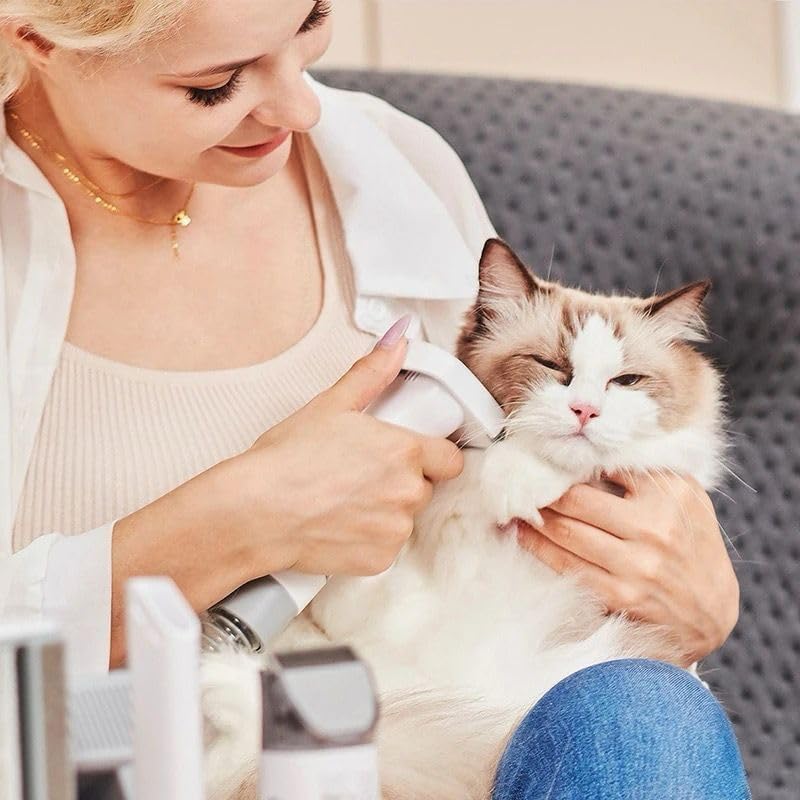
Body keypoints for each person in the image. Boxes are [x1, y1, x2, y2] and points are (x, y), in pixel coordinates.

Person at [0, 1, 750, 796]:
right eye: (216, 85)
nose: (303, 108)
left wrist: (687, 601)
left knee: (646, 716)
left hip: (462, 722)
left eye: (311, 21)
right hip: (151, 770)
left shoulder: (398, 164)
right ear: (38, 38)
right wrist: (241, 518)